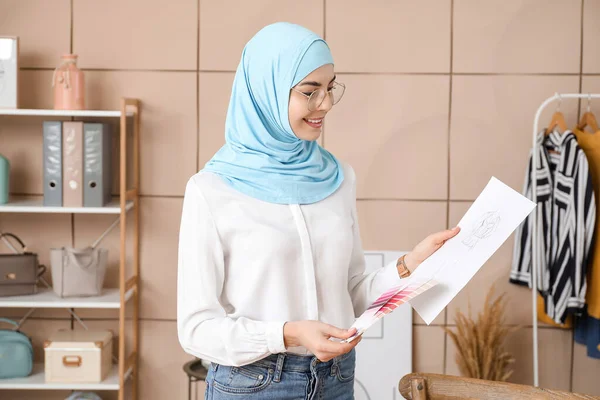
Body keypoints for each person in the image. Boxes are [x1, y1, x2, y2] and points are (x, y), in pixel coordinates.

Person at [177, 22, 460, 400]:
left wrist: (411, 263)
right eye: (310, 92)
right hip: (252, 385)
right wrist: (288, 333)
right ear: (267, 93)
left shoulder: (339, 178)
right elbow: (196, 329)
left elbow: (351, 292)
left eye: (330, 88)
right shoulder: (211, 190)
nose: (324, 104)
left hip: (336, 379)